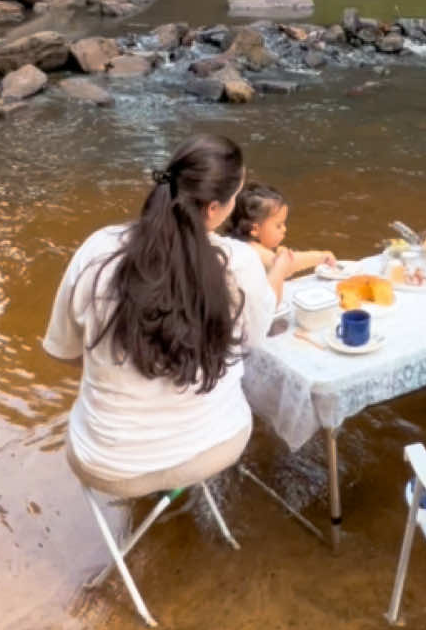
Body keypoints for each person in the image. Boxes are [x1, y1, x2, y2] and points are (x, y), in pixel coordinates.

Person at [42, 134, 294, 499]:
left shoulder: (98, 250)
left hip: (108, 464)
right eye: (235, 197)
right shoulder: (239, 262)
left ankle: (157, 498)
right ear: (213, 209)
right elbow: (253, 341)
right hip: (214, 446)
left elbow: (63, 352)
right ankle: (171, 492)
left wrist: (125, 365)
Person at [224, 180, 337, 278]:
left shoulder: (236, 243)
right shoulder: (253, 250)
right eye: (278, 225)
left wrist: (280, 254)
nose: (284, 229)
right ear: (255, 229)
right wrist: (321, 257)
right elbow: (285, 267)